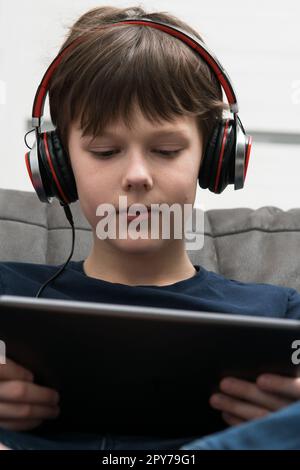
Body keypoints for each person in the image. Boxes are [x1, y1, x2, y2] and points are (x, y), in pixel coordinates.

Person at [0, 5, 300, 450]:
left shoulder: (282, 315)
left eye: (164, 149)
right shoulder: (7, 291)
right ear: (57, 166)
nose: (136, 175)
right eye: (104, 151)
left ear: (215, 158)